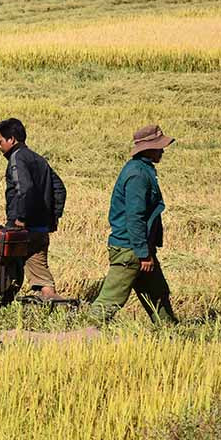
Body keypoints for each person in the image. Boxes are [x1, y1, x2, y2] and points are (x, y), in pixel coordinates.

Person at [90, 125, 178, 325]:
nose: (163, 150)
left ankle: (169, 332)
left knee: (157, 294)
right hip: (130, 249)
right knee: (110, 301)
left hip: (140, 247)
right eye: (159, 146)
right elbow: (135, 217)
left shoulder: (144, 169)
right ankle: (85, 334)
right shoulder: (138, 175)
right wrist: (143, 254)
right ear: (148, 149)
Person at [0, 118, 67, 301]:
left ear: (11, 139)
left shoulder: (17, 158)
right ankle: (51, 303)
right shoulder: (38, 159)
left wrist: (21, 217)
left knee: (3, 265)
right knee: (39, 271)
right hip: (40, 229)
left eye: (0, 141)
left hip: (22, 228)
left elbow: (24, 188)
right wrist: (53, 217)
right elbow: (59, 188)